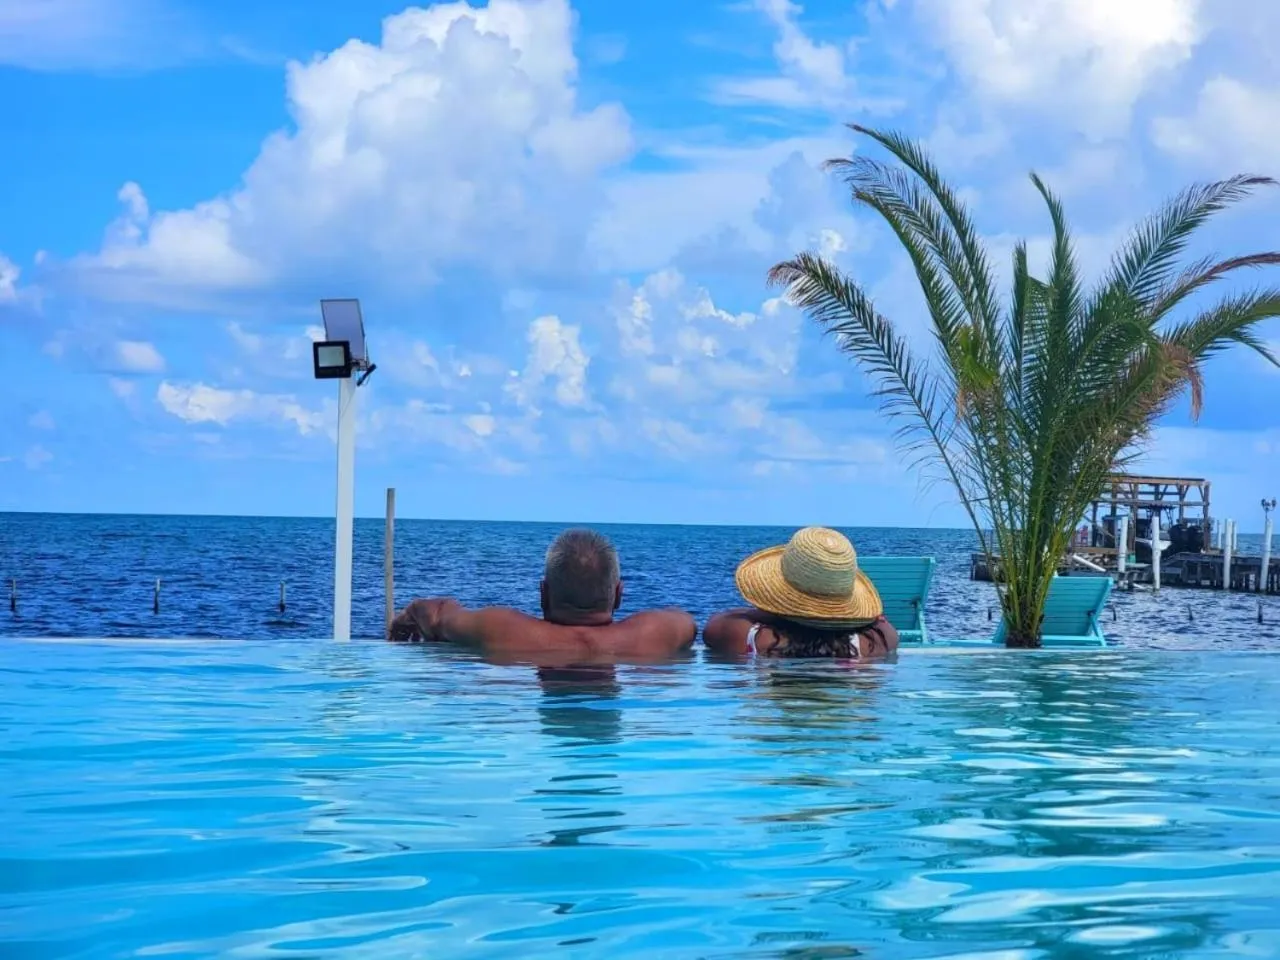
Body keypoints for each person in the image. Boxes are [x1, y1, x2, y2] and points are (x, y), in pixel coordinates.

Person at [388, 528, 697, 661]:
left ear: (543, 593)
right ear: (618, 594)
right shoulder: (656, 632)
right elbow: (687, 623)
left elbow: (434, 611)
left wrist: (402, 621)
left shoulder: (503, 630)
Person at [703, 526, 899, 659]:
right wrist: (848, 621)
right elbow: (880, 622)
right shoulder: (873, 643)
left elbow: (716, 624)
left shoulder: (753, 639)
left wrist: (769, 613)